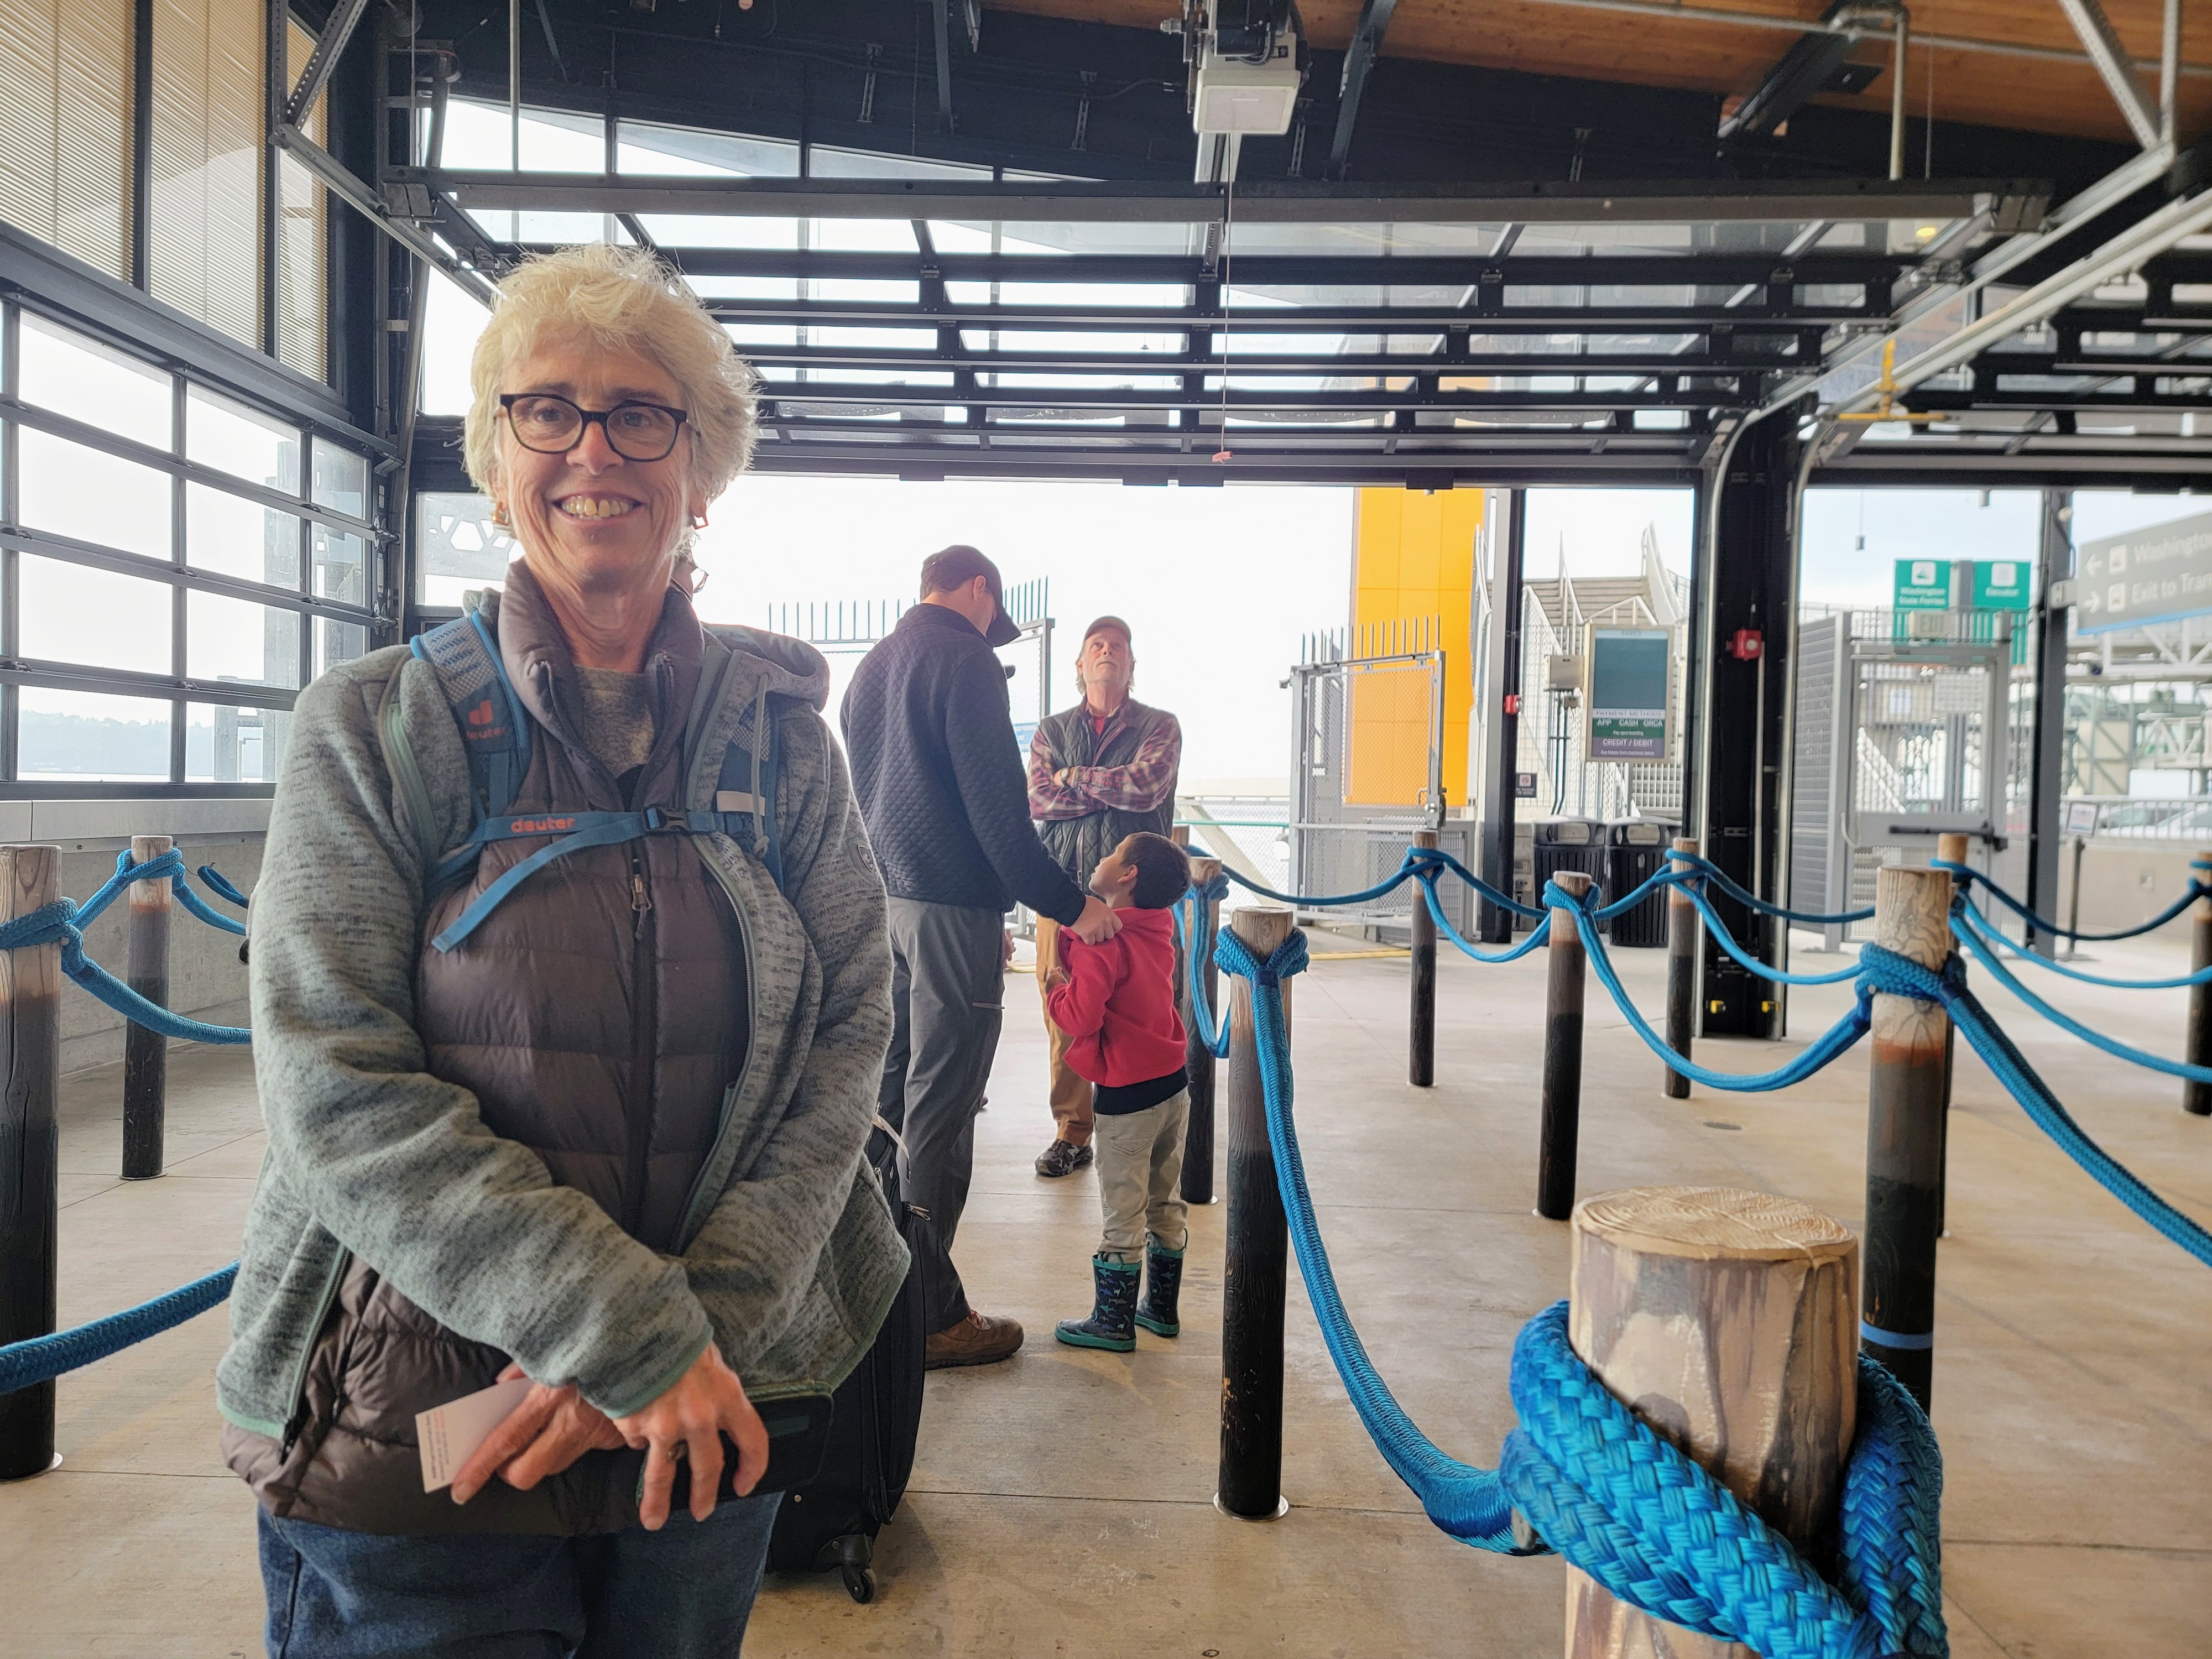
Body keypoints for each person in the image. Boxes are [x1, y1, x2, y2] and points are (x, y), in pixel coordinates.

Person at [216, 242, 907, 1657]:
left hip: (706, 1413)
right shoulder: (372, 727)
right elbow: (332, 1081)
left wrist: (681, 1340)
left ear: (700, 469)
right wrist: (626, 1333)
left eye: (641, 414)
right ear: (497, 459)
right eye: (549, 410)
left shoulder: (785, 749)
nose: (595, 447)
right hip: (415, 1427)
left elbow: (844, 1044)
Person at [841, 546, 1124, 1370]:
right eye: (990, 614)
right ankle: (929, 1313)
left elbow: (865, 799)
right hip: (951, 913)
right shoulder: (965, 660)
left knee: (889, 1101)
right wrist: (1076, 908)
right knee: (943, 1107)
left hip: (887, 908)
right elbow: (1004, 820)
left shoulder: (873, 668)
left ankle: (871, 1284)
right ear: (978, 590)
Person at [1026, 616, 1183, 1177]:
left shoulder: (1161, 725)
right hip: (1063, 890)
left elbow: (1145, 791)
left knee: (1144, 1008)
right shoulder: (1050, 728)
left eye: (1117, 645)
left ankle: (1145, 1121)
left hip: (1139, 904)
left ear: (1132, 665)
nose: (1106, 650)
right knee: (1066, 1008)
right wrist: (1100, 783)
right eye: (1096, 644)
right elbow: (1040, 801)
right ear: (1079, 665)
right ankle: (1072, 1131)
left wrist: (1075, 777)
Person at [1044, 832, 1194, 1352]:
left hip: (1127, 1094)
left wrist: (1055, 990)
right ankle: (1161, 1308)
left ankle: (1112, 1322)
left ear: (1127, 875)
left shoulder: (1101, 940)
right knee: (1164, 1199)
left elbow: (1082, 1015)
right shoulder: (1159, 926)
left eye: (1113, 854)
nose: (1103, 859)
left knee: (1122, 1210)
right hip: (1173, 1085)